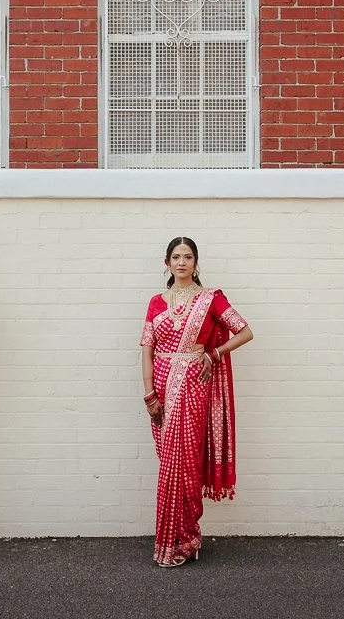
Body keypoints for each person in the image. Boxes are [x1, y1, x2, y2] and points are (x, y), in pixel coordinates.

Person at [139, 236, 254, 567]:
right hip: (160, 386)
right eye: (175, 257)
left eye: (188, 257)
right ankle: (169, 537)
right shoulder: (156, 302)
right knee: (168, 464)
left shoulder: (210, 299)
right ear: (167, 263)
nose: (181, 262)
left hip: (193, 386)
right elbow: (146, 350)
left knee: (186, 462)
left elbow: (245, 332)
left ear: (196, 262)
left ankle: (186, 537)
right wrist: (149, 393)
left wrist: (215, 352)